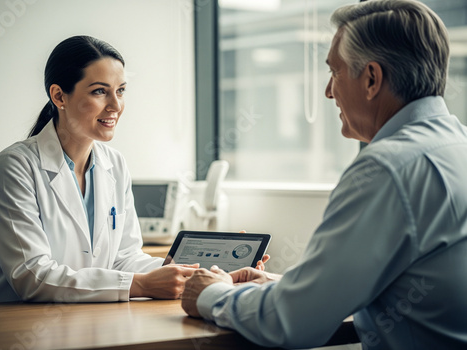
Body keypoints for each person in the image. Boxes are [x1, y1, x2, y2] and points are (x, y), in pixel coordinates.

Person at [181, 1, 467, 349]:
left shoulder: (387, 168)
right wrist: (290, 286)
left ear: (372, 79)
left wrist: (213, 295)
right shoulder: (456, 145)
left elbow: (291, 323)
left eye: (335, 72)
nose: (329, 91)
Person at [0, 36, 202, 303]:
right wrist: (141, 285)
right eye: (100, 91)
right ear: (59, 96)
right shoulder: (15, 167)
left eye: (120, 90)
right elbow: (32, 276)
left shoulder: (115, 164)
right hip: (20, 329)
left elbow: (124, 258)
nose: (116, 106)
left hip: (92, 317)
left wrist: (192, 273)